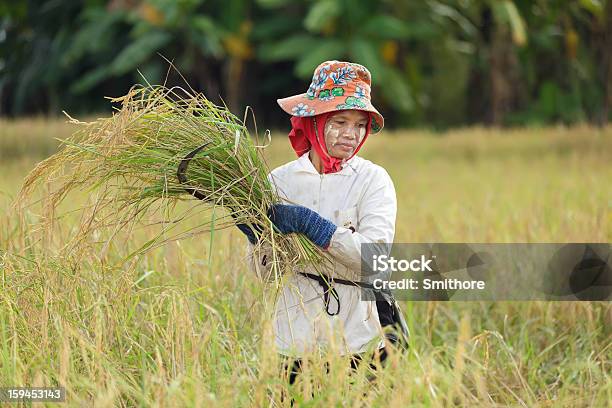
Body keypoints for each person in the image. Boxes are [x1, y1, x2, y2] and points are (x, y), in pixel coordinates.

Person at [239, 60, 408, 385]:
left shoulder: (373, 180)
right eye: (340, 121)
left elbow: (375, 258)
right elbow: (264, 272)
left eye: (359, 125)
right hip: (293, 337)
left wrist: (311, 225)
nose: (350, 133)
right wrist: (258, 238)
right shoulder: (280, 182)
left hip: (358, 336)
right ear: (315, 122)